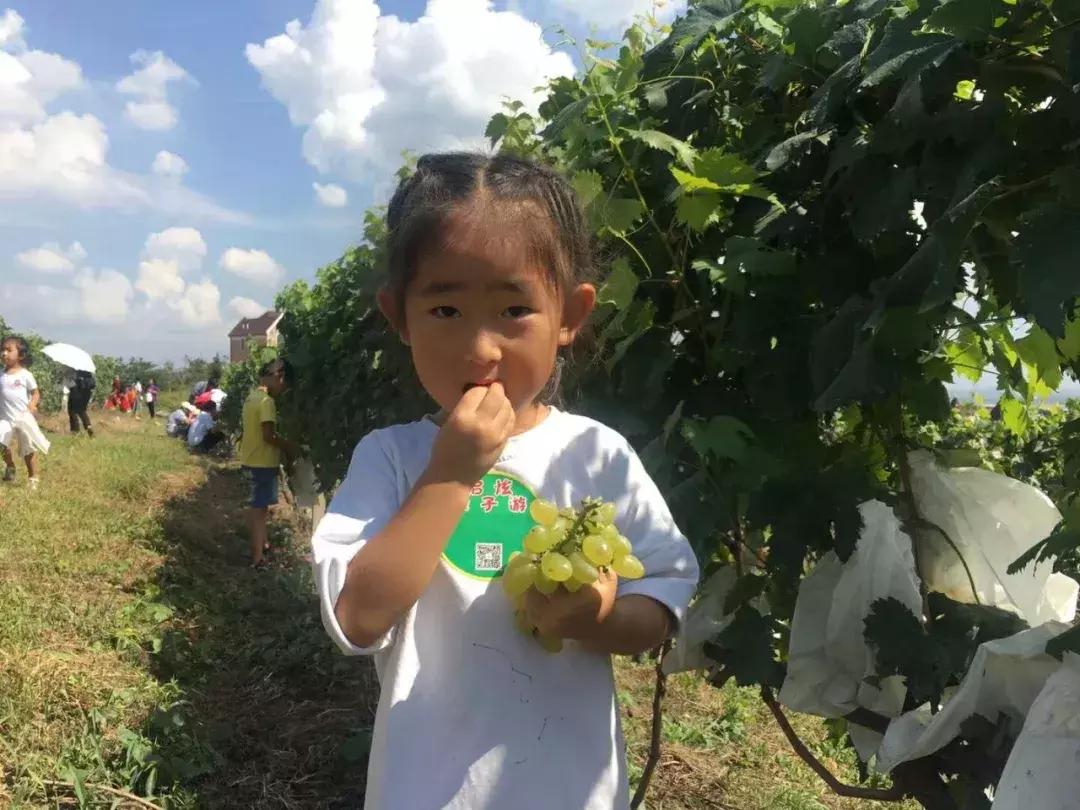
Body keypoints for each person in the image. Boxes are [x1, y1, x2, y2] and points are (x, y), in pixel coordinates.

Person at [310, 153, 699, 809]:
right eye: (445, 311)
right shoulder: (393, 459)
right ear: (398, 316)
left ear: (570, 316)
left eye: (514, 309)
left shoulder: (597, 455)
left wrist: (598, 619)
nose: (481, 349)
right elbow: (357, 616)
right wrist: (451, 474)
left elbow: (661, 604)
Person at [239, 358, 300, 569]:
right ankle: (258, 560)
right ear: (278, 377)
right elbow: (268, 436)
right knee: (258, 511)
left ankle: (263, 545)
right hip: (262, 463)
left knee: (260, 508)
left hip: (250, 460)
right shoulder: (267, 402)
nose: (283, 389)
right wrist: (289, 447)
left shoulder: (251, 398)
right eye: (285, 384)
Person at [1, 335, 48, 490]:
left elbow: (35, 393)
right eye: (2, 350)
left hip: (22, 418)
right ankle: (10, 466)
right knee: (1, 444)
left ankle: (33, 477)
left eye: (9, 350)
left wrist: (32, 405)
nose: (4, 353)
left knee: (27, 450)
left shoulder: (26, 375)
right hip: (5, 418)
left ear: (20, 355)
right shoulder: (1, 375)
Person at [66, 368, 95, 436]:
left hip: (76, 393)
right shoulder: (87, 371)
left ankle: (76, 431)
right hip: (86, 395)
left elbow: (71, 383)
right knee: (82, 411)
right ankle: (88, 426)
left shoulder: (75, 370)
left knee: (72, 411)